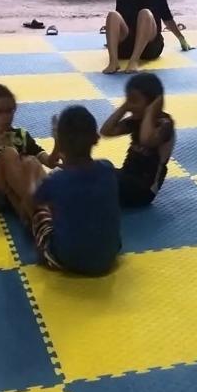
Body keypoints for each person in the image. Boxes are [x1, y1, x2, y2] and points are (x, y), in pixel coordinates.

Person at [31, 106, 121, 275]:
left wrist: (57, 146)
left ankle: (45, 254)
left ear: (61, 143)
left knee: (40, 214)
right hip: (108, 255)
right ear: (95, 138)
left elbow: (35, 200)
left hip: (69, 258)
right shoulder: (108, 169)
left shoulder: (56, 180)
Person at [0, 82, 55, 222]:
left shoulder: (21, 135)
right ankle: (38, 209)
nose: (5, 116)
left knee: (32, 162)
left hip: (17, 192)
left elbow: (47, 161)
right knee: (9, 153)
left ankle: (40, 215)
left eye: (9, 111)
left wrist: (59, 150)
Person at [100, 72, 175, 207]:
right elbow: (106, 131)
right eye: (128, 99)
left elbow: (147, 140)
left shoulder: (165, 124)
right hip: (126, 177)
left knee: (97, 178)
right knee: (101, 166)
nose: (131, 105)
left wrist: (150, 111)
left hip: (143, 191)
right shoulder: (136, 120)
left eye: (134, 101)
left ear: (152, 102)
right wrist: (124, 107)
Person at [103, 0, 191, 74]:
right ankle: (113, 62)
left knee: (145, 13)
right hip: (126, 47)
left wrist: (181, 39)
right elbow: (117, 25)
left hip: (150, 48)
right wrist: (111, 42)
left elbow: (168, 20)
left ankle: (133, 62)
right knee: (112, 15)